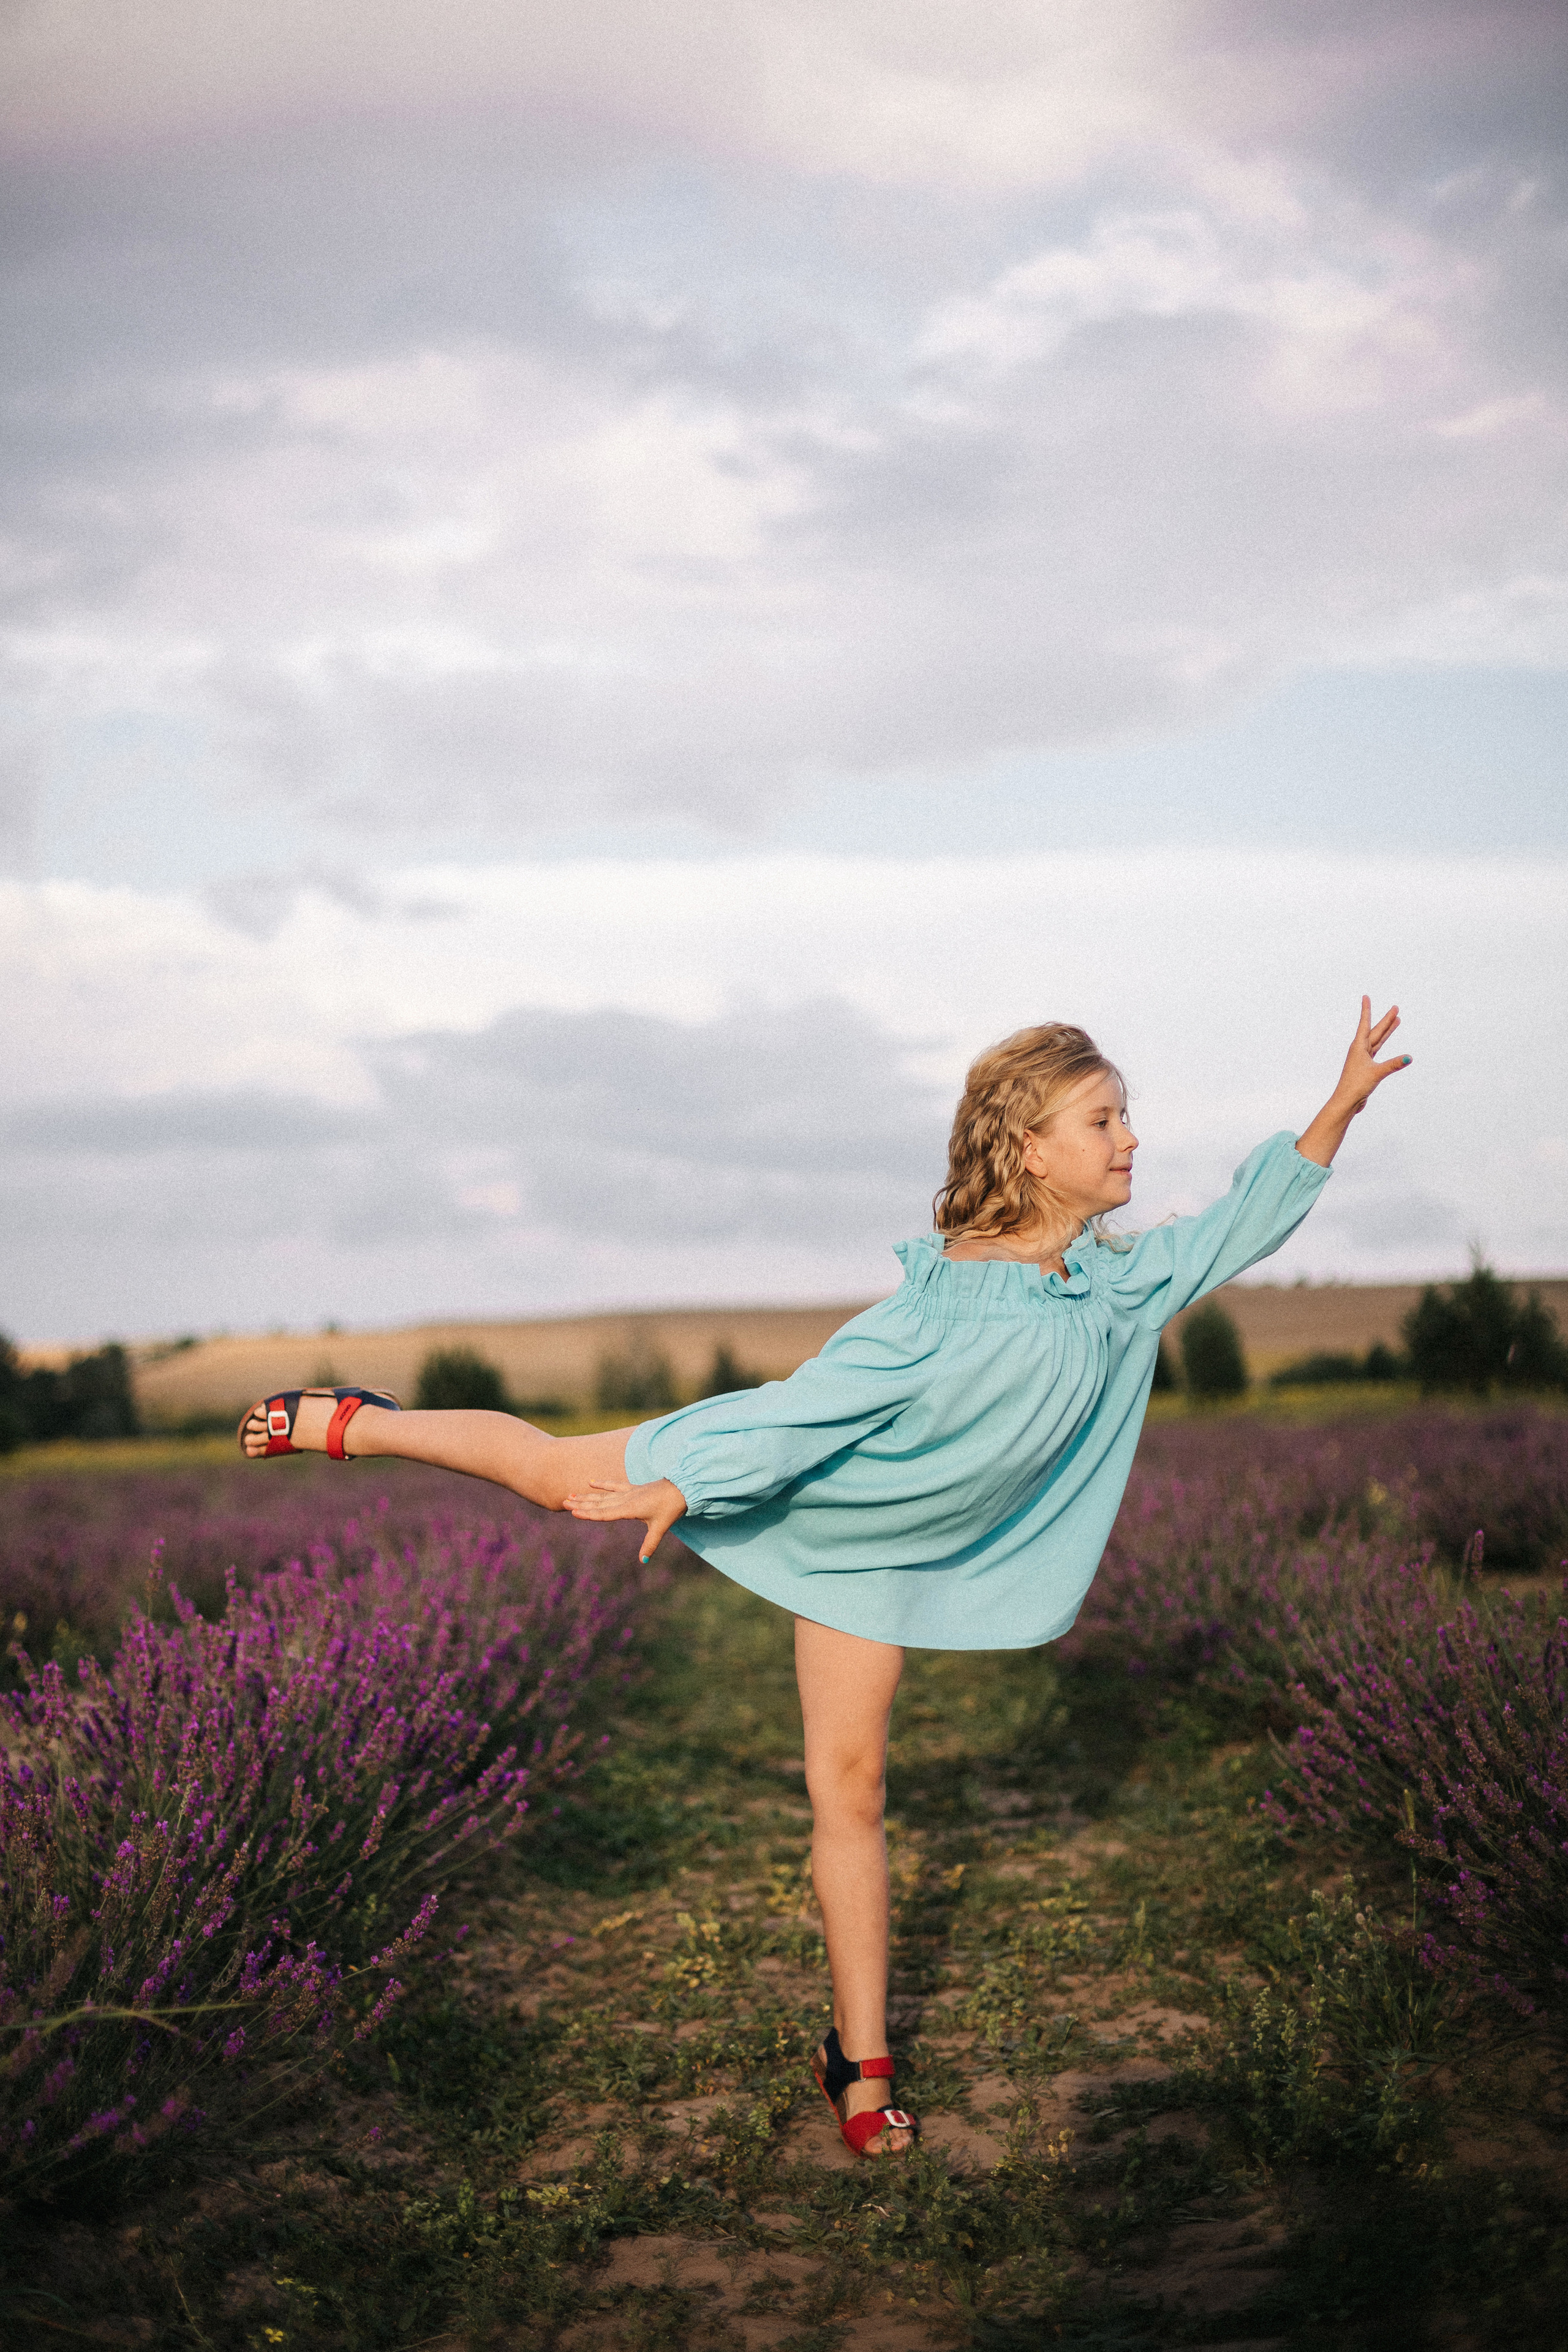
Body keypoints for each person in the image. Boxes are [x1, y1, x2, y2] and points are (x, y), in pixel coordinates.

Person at [240, 997, 1411, 2157]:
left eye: (1125, 1118)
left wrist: (1339, 1105)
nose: (1130, 1141)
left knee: (854, 1792)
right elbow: (806, 1416)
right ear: (1029, 1149)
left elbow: (1239, 1224)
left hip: (897, 1553)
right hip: (811, 1496)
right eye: (1103, 1120)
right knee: (556, 1479)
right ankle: (361, 1421)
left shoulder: (1117, 1283)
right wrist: (689, 1486)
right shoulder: (936, 1309)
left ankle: (856, 2059)